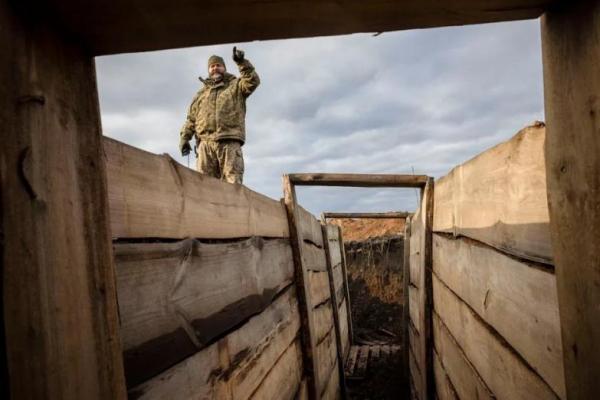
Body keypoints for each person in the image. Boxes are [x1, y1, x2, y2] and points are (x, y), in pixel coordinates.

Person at [179, 47, 260, 184]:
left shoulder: (236, 86)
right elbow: (191, 120)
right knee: (203, 186)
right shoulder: (201, 94)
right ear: (208, 70)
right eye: (212, 66)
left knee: (232, 184)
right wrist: (184, 139)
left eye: (218, 65)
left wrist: (241, 62)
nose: (215, 68)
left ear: (224, 68)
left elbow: (252, 81)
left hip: (229, 141)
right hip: (205, 145)